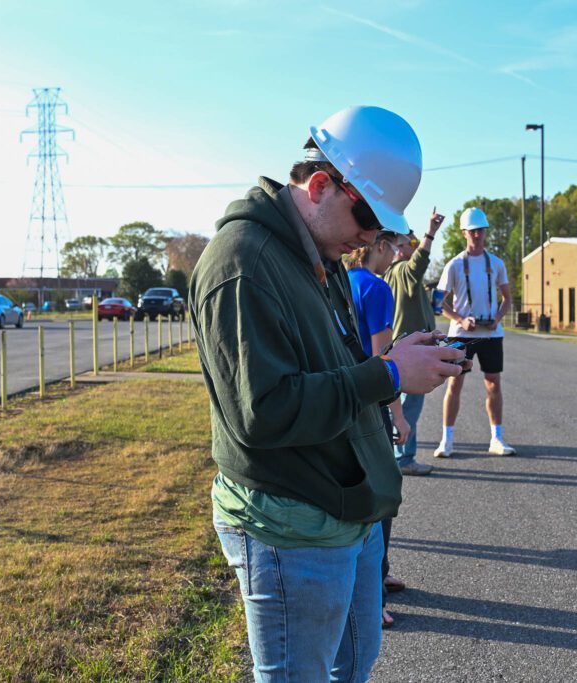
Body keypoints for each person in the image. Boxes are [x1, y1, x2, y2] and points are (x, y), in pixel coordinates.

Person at [188, 105, 464, 682]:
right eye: (368, 216)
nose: (372, 236)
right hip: (289, 523)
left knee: (354, 663)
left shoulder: (322, 255)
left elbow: (336, 360)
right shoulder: (243, 263)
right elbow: (263, 413)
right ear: (319, 185)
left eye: (381, 225)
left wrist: (393, 361)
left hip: (347, 511)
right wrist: (387, 376)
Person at [345, 230, 410, 630]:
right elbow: (383, 361)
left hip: (342, 402)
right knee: (382, 498)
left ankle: (376, 576)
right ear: (380, 246)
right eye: (397, 246)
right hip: (370, 406)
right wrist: (398, 415)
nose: (400, 254)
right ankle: (374, 598)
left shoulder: (343, 279)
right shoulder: (378, 288)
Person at [434, 207, 516, 458]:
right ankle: (446, 440)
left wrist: (497, 318)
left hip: (491, 334)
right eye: (473, 231)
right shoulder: (455, 264)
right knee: (454, 384)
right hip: (461, 333)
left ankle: (496, 438)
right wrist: (460, 318)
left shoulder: (497, 263)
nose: (478, 235)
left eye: (481, 230)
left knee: (493, 385)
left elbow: (507, 298)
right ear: (464, 233)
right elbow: (437, 302)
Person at [382, 208, 445, 476]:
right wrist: (430, 233)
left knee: (402, 401)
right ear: (400, 248)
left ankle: (397, 454)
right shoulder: (404, 272)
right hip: (414, 350)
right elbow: (418, 263)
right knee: (411, 405)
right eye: (413, 242)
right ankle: (403, 459)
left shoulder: (391, 274)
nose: (417, 246)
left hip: (401, 348)